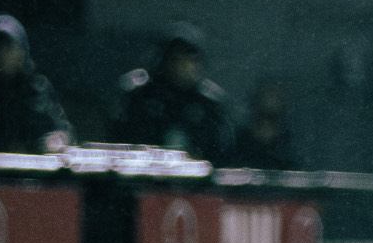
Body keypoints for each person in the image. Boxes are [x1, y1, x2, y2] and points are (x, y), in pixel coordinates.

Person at [0, 15, 75, 154]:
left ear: (21, 52)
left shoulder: (37, 88)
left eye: (7, 46)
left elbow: (65, 131)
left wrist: (57, 140)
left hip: (30, 165)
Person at [116, 25, 233, 163]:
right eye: (177, 57)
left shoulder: (207, 104)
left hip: (195, 173)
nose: (184, 64)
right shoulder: (141, 96)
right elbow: (124, 139)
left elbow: (220, 150)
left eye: (190, 58)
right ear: (165, 59)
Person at [231, 80, 299, 170]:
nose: (273, 100)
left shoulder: (286, 143)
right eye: (270, 94)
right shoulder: (240, 138)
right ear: (259, 98)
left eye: (278, 97)